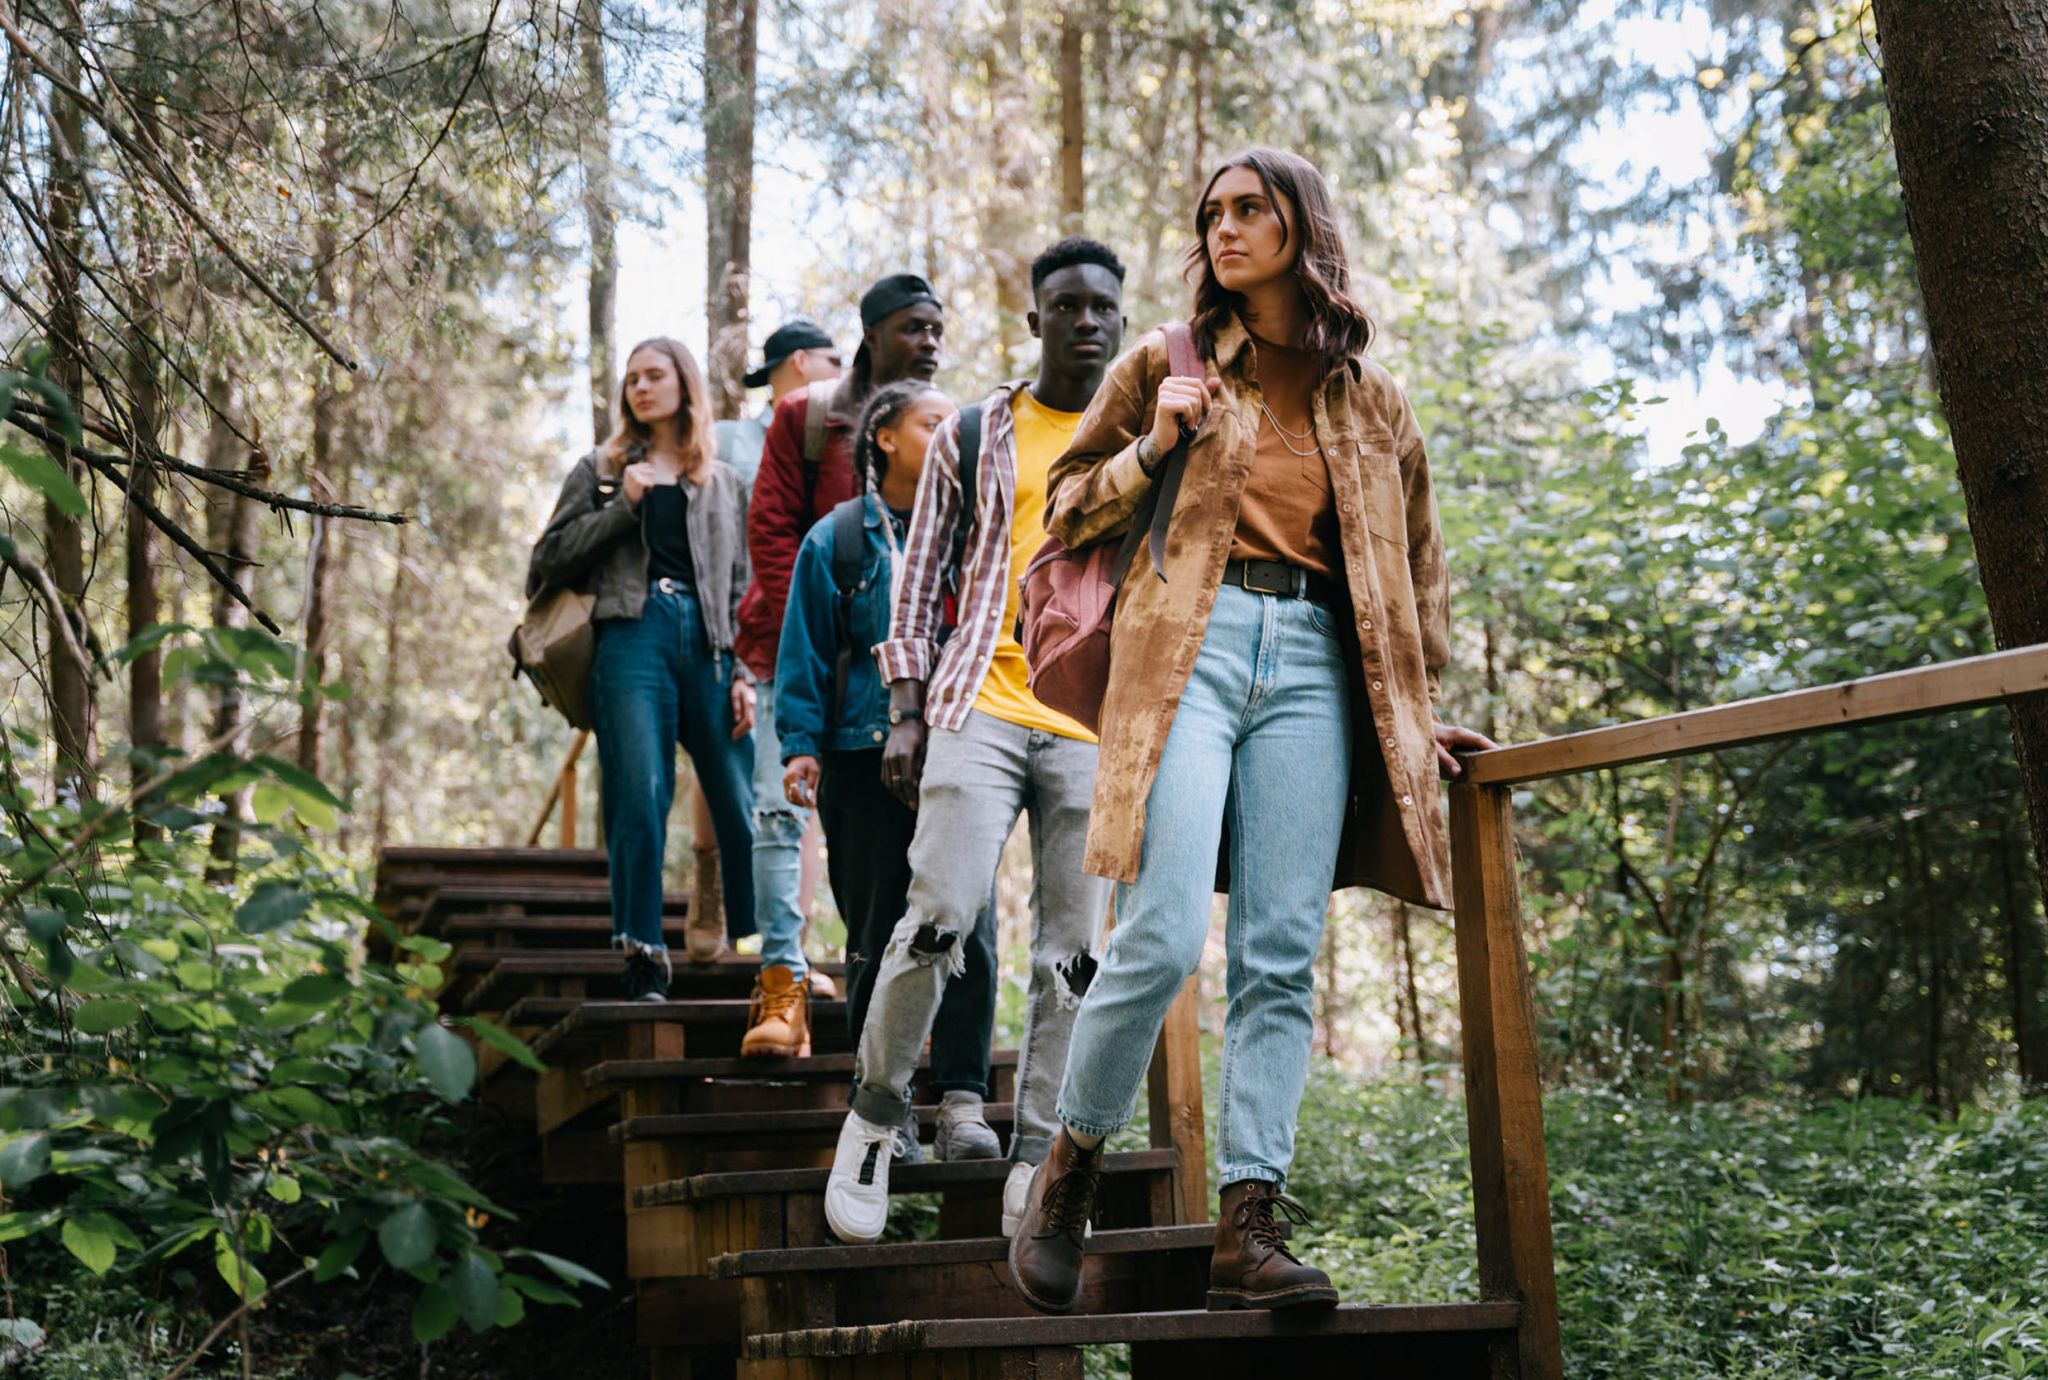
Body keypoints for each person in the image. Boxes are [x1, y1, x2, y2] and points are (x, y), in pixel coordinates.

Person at [1005, 150, 1500, 1315]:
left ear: (1298, 226)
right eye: (1211, 214)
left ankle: (1248, 1224)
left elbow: (1413, 573)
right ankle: (1067, 1171)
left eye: (1248, 210)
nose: (1223, 228)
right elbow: (1064, 512)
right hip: (1190, 644)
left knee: (1281, 955)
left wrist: (1415, 710)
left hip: (1318, 668)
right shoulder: (1161, 365)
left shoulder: (1373, 402)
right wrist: (1148, 443)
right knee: (1164, 930)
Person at [822, 238, 1129, 1247]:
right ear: (1034, 321)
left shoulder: (1145, 440)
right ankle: (873, 1117)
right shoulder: (969, 431)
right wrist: (904, 709)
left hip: (1091, 723)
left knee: (1071, 957)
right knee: (938, 914)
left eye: (1103, 309)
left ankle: (1038, 1157)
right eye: (1067, 306)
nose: (1087, 322)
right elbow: (918, 581)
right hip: (974, 705)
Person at [763, 383, 999, 1140]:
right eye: (932, 422)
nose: (949, 431)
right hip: (861, 757)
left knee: (968, 926)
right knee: (874, 928)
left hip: (963, 748)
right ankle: (882, 1107)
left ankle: (963, 1099)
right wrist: (800, 747)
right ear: (885, 439)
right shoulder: (838, 538)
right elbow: (801, 649)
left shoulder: (974, 533)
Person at [736, 275, 947, 1050]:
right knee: (778, 810)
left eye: (937, 330)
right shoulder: (808, 415)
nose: (929, 343)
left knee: (910, 858)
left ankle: (908, 1020)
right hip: (803, 650)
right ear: (873, 334)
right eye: (913, 328)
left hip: (912, 682)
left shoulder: (943, 425)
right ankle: (782, 987)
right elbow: (774, 535)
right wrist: (827, 639)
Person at [527, 338, 758, 1002]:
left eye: (654, 375)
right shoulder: (600, 469)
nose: (640, 388)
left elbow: (743, 585)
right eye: (632, 379)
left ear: (684, 384)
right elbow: (546, 562)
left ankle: (754, 937)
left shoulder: (720, 481)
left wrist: (742, 670)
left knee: (740, 800)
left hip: (708, 647)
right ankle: (643, 953)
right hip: (631, 639)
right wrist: (622, 506)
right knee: (641, 794)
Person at [688, 322, 842, 972]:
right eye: (834, 358)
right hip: (738, 628)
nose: (844, 368)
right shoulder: (728, 439)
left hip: (810, 634)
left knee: (793, 792)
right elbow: (705, 540)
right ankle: (709, 898)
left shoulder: (843, 435)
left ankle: (791, 950)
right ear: (801, 362)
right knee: (720, 767)